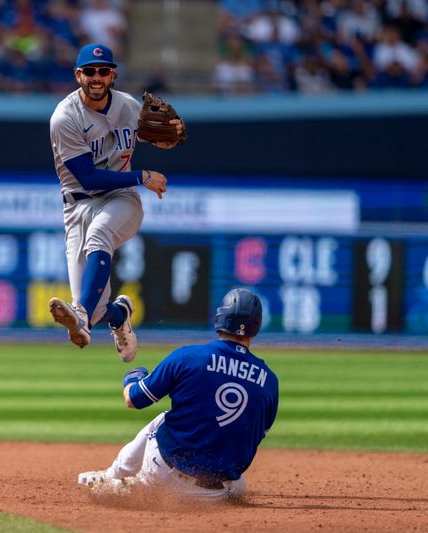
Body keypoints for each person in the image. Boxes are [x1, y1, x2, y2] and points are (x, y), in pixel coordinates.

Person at [47, 42, 185, 362]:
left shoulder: (129, 106)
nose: (97, 77)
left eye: (104, 71)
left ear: (113, 75)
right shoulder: (64, 118)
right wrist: (142, 175)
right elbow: (89, 179)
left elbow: (162, 136)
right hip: (78, 204)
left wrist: (170, 135)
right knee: (95, 307)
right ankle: (118, 315)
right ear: (78, 75)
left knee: (99, 239)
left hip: (121, 200)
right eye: (90, 72)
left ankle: (80, 315)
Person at [77, 288, 279, 502]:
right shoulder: (269, 381)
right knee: (238, 454)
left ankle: (114, 477)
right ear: (256, 325)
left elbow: (133, 399)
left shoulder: (187, 357)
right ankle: (145, 485)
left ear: (220, 318)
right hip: (218, 492)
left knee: (164, 418)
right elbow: (257, 433)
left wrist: (131, 379)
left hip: (166, 476)